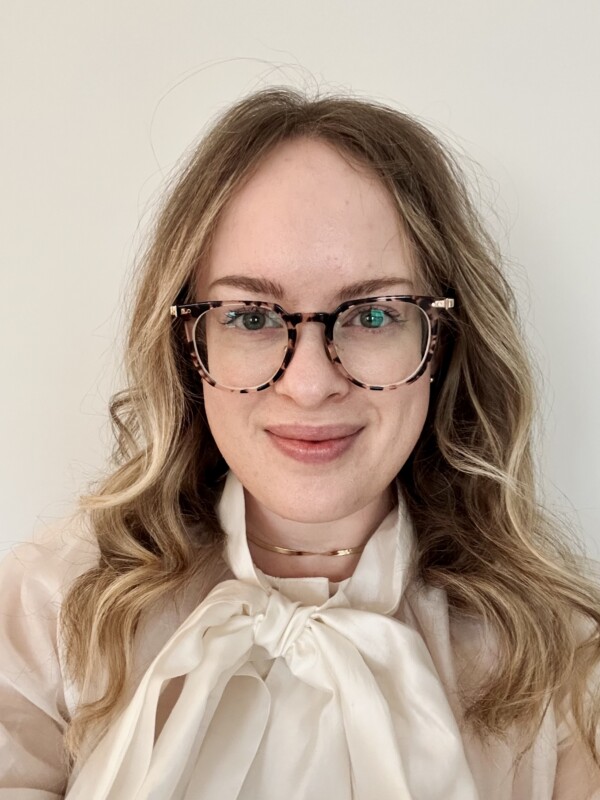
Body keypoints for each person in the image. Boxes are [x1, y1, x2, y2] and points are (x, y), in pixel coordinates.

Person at [1, 87, 599, 800]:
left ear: (443, 342)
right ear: (187, 346)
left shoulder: (567, 666)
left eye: (374, 313)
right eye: (251, 317)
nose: (311, 384)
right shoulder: (49, 611)